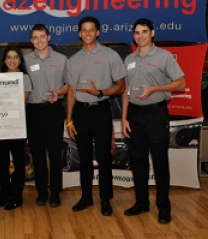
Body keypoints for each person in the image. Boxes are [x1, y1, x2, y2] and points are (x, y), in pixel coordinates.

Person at [121, 18, 185, 224]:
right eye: (137, 32)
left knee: (159, 163)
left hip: (155, 114)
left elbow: (181, 83)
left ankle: (164, 207)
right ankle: (141, 203)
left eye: (144, 32)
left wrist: (154, 89)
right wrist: (123, 118)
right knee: (138, 162)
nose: (140, 36)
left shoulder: (164, 56)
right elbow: (125, 90)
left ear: (153, 33)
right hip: (133, 115)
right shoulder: (129, 59)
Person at [66, 16, 126, 216]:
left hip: (101, 110)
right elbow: (71, 92)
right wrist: (69, 120)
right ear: (79, 33)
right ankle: (86, 197)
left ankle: (106, 200)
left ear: (98, 32)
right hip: (81, 113)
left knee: (104, 158)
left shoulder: (110, 55)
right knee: (83, 159)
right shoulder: (73, 61)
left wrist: (99, 92)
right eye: (84, 30)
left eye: (92, 30)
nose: (88, 33)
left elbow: (121, 86)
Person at [24, 24, 69, 207]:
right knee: (38, 154)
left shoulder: (62, 59)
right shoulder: (25, 60)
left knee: (55, 153)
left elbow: (69, 85)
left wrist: (59, 92)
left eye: (42, 36)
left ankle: (56, 192)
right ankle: (42, 192)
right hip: (33, 111)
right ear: (31, 40)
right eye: (35, 37)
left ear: (49, 37)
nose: (39, 41)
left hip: (54, 110)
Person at [0, 46, 32, 210]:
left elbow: (20, 101)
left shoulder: (25, 78)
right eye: (9, 57)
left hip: (17, 125)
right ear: (4, 60)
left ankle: (16, 196)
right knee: (2, 163)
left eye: (15, 57)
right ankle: (4, 192)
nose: (12, 60)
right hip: (0, 125)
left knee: (18, 162)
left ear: (20, 60)